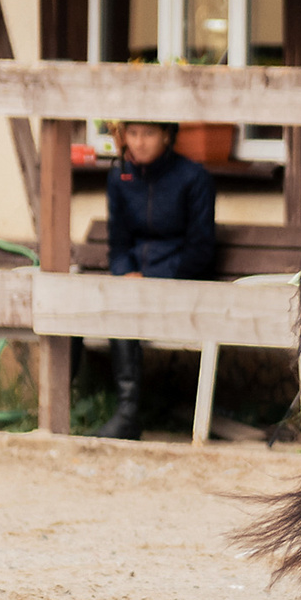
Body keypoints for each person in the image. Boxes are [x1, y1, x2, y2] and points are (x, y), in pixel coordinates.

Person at [96, 119, 217, 440]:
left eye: (148, 133)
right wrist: (126, 273)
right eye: (133, 133)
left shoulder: (195, 178)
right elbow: (118, 243)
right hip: (134, 287)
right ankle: (122, 413)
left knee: (126, 300)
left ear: (167, 135)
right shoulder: (119, 177)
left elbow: (200, 249)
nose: (139, 142)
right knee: (98, 299)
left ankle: (127, 414)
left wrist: (154, 279)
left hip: (180, 285)